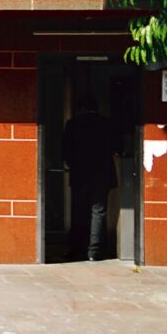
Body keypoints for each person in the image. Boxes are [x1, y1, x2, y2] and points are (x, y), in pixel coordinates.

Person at [62, 94, 119, 261]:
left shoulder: (73, 124)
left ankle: (76, 250)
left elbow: (65, 150)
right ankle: (94, 251)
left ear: (80, 108)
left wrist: (75, 165)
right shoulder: (107, 123)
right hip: (102, 174)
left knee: (79, 211)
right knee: (99, 211)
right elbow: (117, 146)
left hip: (81, 174)